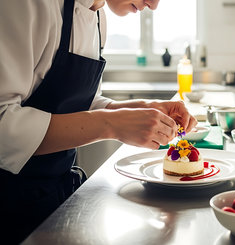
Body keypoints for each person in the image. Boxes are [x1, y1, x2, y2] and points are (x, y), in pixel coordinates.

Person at [0, 0, 197, 243]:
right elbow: (3, 122)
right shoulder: (28, 4)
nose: (154, 5)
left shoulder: (98, 17)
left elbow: (82, 102)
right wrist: (111, 124)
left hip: (50, 197)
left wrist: (142, 107)